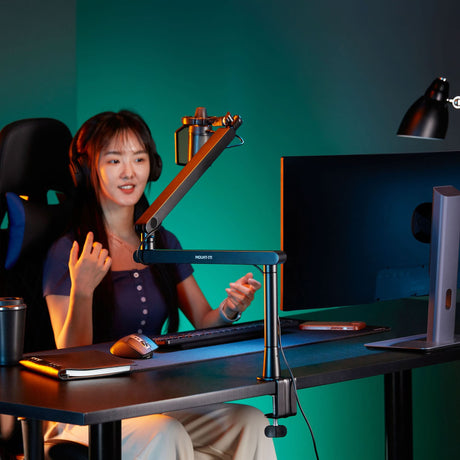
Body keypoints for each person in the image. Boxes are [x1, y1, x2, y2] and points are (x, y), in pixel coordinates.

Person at [42, 110, 277, 459]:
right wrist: (83, 290)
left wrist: (229, 309)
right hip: (85, 408)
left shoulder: (160, 242)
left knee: (251, 421)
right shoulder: (71, 250)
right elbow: (70, 359)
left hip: (149, 399)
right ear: (89, 169)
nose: (129, 171)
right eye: (114, 160)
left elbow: (203, 320)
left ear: (152, 166)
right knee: (166, 433)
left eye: (139, 158)